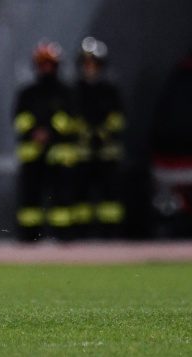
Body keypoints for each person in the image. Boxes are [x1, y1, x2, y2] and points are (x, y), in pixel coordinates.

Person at [13, 41, 81, 242]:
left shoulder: (66, 92)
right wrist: (34, 131)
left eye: (49, 64)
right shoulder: (27, 93)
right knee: (30, 198)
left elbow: (69, 118)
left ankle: (63, 235)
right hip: (32, 155)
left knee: (61, 197)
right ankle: (29, 236)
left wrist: (49, 132)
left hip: (60, 156)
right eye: (42, 64)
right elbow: (19, 119)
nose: (46, 68)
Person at [73, 37, 126, 238]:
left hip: (107, 153)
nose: (90, 68)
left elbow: (118, 118)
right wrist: (86, 132)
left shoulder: (109, 90)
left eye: (93, 63)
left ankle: (110, 233)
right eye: (86, 63)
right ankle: (82, 233)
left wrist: (102, 132)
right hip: (82, 154)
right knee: (81, 196)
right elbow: (71, 117)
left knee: (110, 196)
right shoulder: (76, 91)